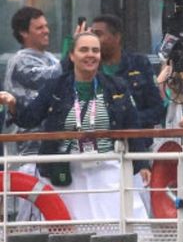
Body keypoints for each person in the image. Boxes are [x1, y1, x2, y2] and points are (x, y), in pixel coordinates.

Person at [0, 31, 140, 220]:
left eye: (95, 50)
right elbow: (29, 118)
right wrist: (13, 104)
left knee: (118, 223)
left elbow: (133, 126)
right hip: (65, 173)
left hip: (108, 171)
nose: (90, 55)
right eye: (84, 50)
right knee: (69, 230)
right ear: (72, 56)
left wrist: (142, 164)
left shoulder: (117, 86)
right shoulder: (55, 86)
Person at [89, 14, 166, 170]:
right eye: (90, 34)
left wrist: (126, 120)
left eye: (98, 34)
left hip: (137, 154)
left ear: (116, 37)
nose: (93, 39)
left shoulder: (139, 63)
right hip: (97, 155)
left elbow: (157, 110)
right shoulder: (88, 68)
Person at [4, 6, 61, 157]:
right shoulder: (19, 61)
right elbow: (50, 78)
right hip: (28, 150)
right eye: (39, 27)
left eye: (46, 26)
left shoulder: (52, 59)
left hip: (54, 147)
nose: (46, 31)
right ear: (23, 33)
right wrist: (73, 55)